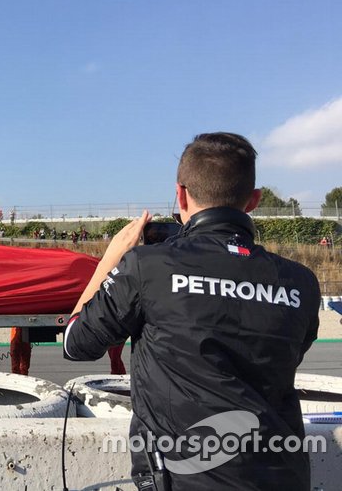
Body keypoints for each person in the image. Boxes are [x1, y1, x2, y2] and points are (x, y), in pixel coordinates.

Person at [63, 132, 320, 490]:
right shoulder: (301, 282)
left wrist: (111, 259)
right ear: (254, 200)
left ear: (180, 194)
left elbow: (76, 344)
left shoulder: (147, 266)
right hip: (284, 475)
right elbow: (289, 353)